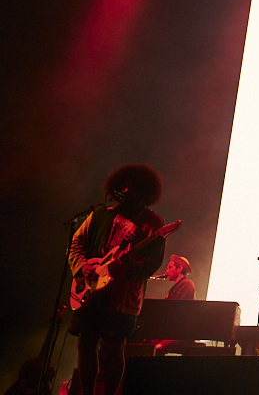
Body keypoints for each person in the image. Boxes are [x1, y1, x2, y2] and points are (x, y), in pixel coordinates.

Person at [68, 164, 166, 395]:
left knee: (114, 348)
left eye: (132, 187)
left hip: (123, 297)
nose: (126, 190)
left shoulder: (153, 224)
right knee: (86, 343)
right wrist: (83, 266)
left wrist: (130, 268)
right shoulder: (101, 214)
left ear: (143, 193)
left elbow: (153, 262)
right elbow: (76, 243)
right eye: (124, 186)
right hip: (91, 289)